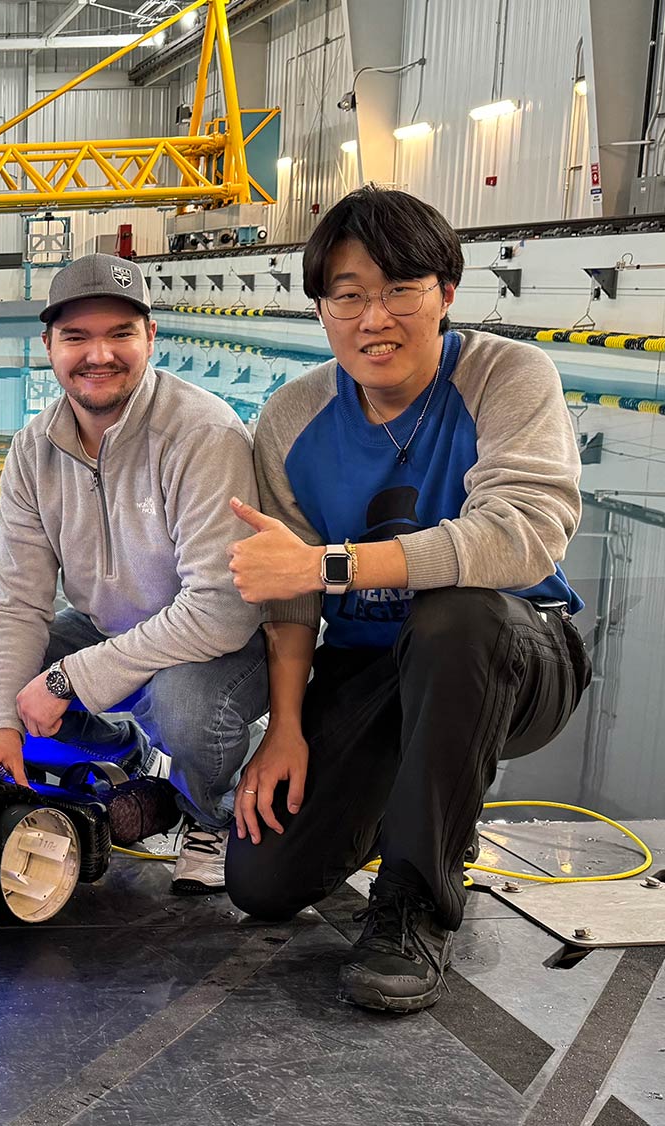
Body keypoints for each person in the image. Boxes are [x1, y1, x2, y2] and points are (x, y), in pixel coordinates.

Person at [225, 186, 592, 1013]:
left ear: (447, 293)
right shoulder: (291, 420)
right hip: (370, 671)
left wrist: (330, 564)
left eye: (400, 289)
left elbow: (519, 539)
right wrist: (283, 729)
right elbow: (289, 601)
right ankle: (406, 787)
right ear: (322, 309)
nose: (374, 317)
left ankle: (416, 902)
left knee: (456, 612)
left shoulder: (507, 376)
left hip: (514, 655)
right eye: (348, 295)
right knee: (263, 882)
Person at [0, 253, 269, 893]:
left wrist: (66, 680)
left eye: (120, 334)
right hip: (106, 627)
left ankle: (205, 812)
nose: (99, 355)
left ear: (151, 337)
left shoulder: (201, 433)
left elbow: (222, 608)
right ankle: (124, 752)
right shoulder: (33, 450)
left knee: (187, 710)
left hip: (220, 643)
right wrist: (1, 722)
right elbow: (21, 603)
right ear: (48, 345)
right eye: (77, 337)